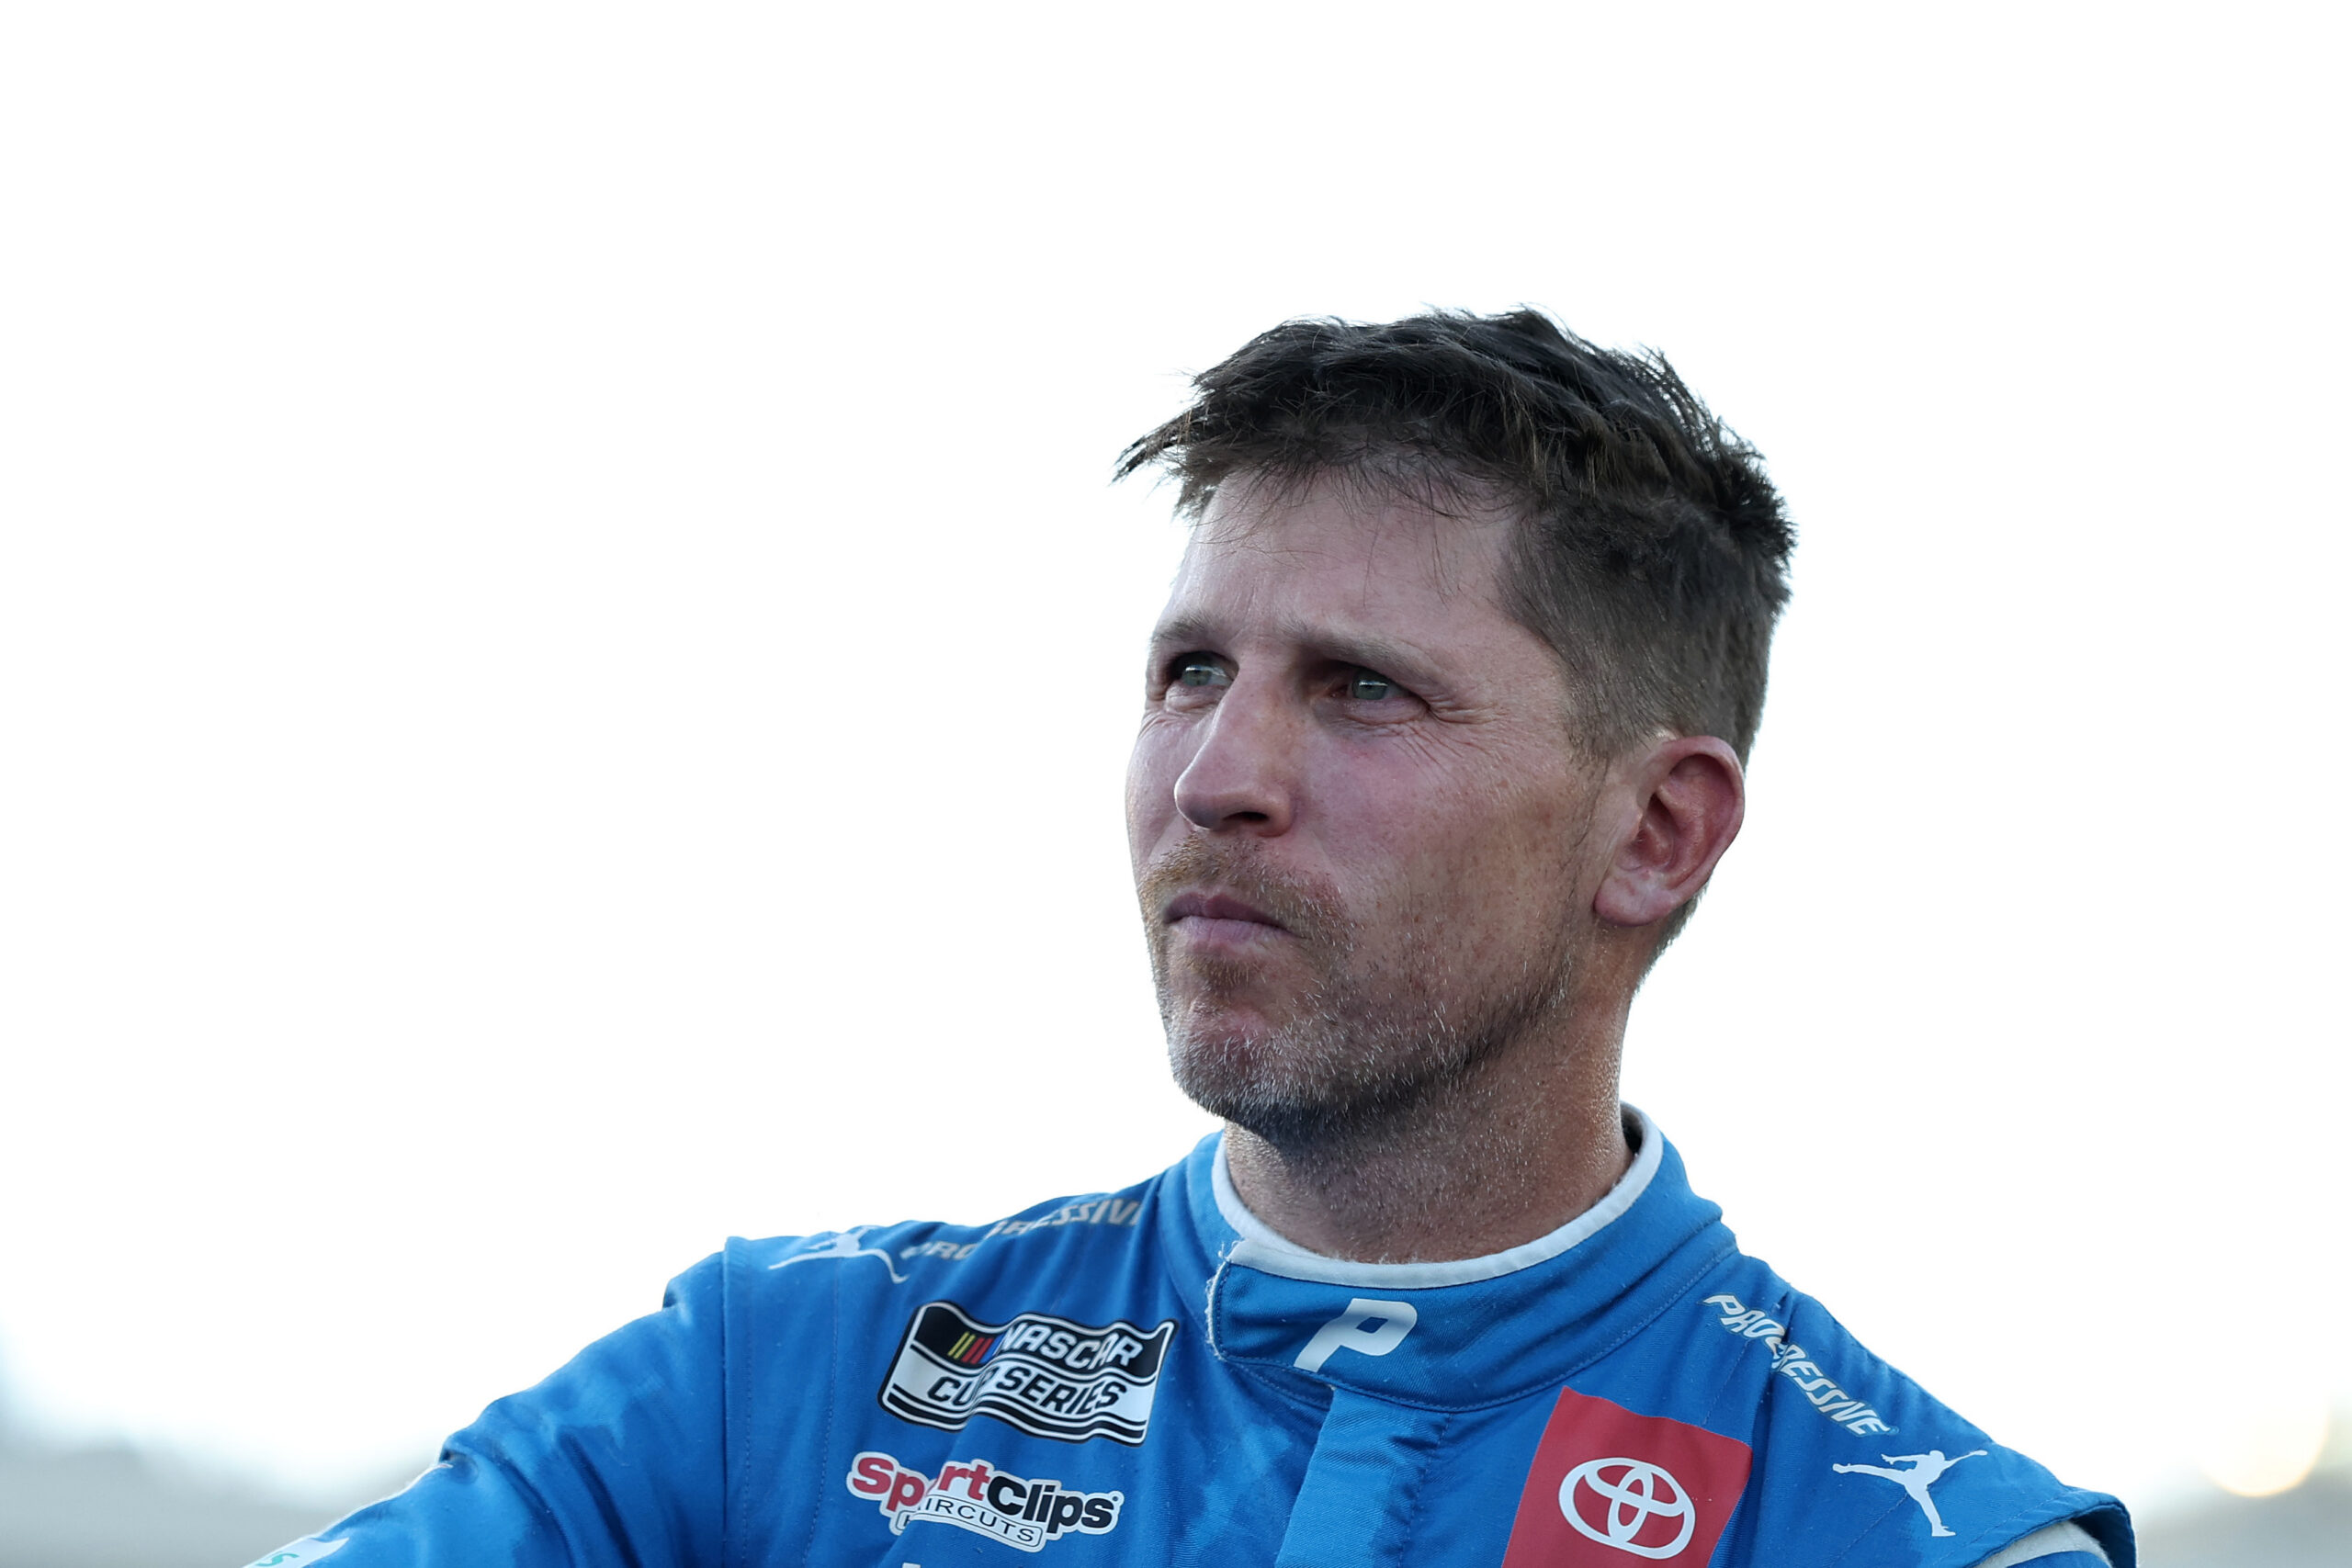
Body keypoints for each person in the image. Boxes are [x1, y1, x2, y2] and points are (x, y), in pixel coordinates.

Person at [254, 311, 2132, 1567]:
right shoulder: (777, 1376)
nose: (1217, 776)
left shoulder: (1908, 1533)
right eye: (1188, 672)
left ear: (1654, 832)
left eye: (1364, 689)